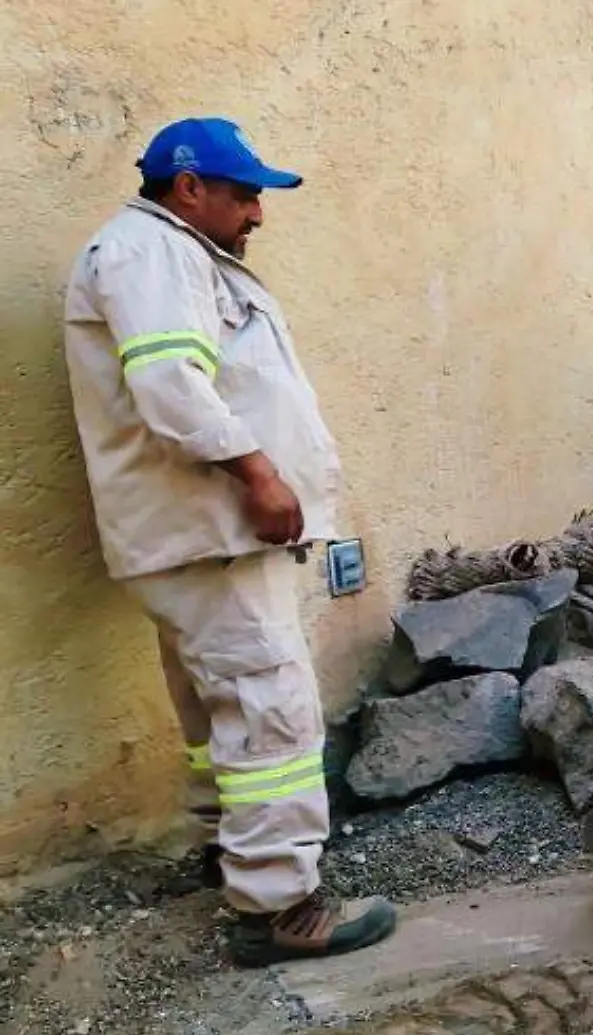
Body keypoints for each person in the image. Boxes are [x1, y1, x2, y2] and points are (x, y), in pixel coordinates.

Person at [62, 117, 397, 966]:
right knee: (270, 709)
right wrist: (259, 473)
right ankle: (278, 908)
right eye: (244, 193)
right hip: (211, 530)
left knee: (219, 711)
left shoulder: (165, 252)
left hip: (196, 536)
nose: (257, 212)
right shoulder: (151, 253)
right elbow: (171, 385)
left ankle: (234, 853)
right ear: (188, 188)